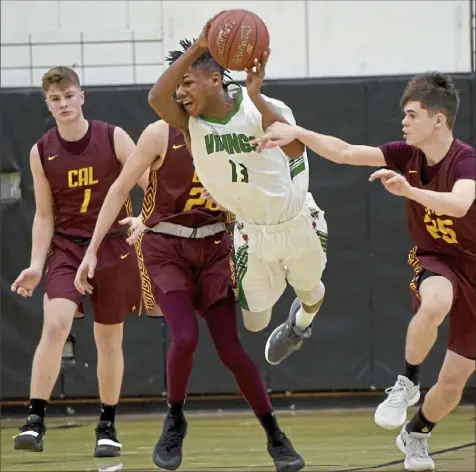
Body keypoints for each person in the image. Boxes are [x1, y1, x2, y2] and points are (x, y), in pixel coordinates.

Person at [252, 72, 476, 472]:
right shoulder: (406, 155)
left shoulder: (466, 160)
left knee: (452, 385)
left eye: (411, 114)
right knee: (435, 301)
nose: (403, 122)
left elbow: (459, 206)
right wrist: (297, 132)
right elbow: (343, 152)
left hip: (473, 268)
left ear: (438, 120)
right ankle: (405, 383)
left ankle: (417, 432)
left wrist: (409, 192)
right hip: (436, 258)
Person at [74, 119, 305, 472]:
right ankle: (175, 419)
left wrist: (236, 198)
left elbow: (266, 185)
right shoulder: (157, 134)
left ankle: (274, 433)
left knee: (231, 348)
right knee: (185, 337)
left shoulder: (235, 131)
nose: (186, 94)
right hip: (166, 247)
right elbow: (120, 189)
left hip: (215, 245)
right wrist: (90, 251)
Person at [147, 20, 329, 367]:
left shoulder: (256, 108)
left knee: (309, 292)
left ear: (215, 80)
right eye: (178, 86)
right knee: (255, 321)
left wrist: (258, 96)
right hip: (251, 230)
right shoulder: (191, 123)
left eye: (187, 83)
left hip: (296, 221)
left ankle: (300, 326)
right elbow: (156, 97)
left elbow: (294, 151)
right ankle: (286, 315)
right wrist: (200, 47)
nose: (180, 94)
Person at [11, 66, 147, 458]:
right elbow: (44, 215)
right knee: (54, 325)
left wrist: (146, 215)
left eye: (69, 95)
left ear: (82, 96)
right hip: (69, 249)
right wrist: (37, 264)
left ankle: (107, 424)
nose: (64, 103)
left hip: (113, 246)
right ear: (47, 104)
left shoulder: (113, 136)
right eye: (55, 99)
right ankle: (35, 418)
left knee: (109, 340)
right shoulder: (42, 151)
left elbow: (149, 183)